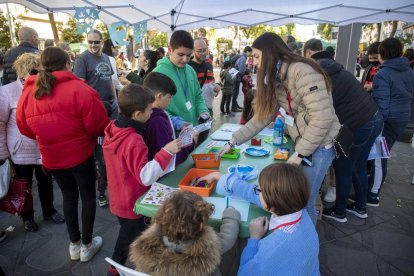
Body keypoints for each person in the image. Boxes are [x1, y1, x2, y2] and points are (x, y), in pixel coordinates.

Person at [218, 32, 340, 225]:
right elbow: (262, 118)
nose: (255, 63)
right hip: (306, 144)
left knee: (304, 201)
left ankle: (305, 246)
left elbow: (323, 118)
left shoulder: (301, 71)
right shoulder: (275, 77)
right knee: (299, 199)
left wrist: (300, 153)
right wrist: (233, 141)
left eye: (257, 57)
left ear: (270, 53)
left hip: (320, 145)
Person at [16, 47, 109, 262]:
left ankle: (74, 244)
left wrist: (45, 138)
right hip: (81, 155)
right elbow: (98, 125)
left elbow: (24, 127)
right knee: (87, 196)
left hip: (51, 157)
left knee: (68, 197)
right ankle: (86, 245)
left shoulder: (29, 91)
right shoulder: (80, 89)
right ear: (68, 63)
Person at [103, 83, 181, 274]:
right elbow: (145, 177)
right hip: (133, 201)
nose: (151, 112)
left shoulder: (114, 128)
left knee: (128, 233)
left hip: (119, 197)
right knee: (137, 237)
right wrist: (166, 152)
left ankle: (117, 266)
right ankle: (121, 268)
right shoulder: (133, 140)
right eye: (149, 110)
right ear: (137, 114)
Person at [303, 38, 383, 222]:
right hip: (374, 117)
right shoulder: (332, 65)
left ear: (308, 53)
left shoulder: (318, 72)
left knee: (344, 168)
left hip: (360, 123)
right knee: (359, 166)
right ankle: (361, 207)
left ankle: (340, 212)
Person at [200, 163, 319, 275]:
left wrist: (254, 238)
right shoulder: (298, 208)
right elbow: (253, 194)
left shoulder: (272, 248)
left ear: (272, 201)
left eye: (260, 190)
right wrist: (223, 178)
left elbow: (245, 273)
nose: (256, 191)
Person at [0, 53, 65, 232]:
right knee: (24, 185)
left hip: (44, 148)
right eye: (30, 70)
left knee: (46, 182)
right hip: (20, 150)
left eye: (38, 69)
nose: (34, 73)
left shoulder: (46, 87)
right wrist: (3, 153)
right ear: (21, 71)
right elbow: (1, 123)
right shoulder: (7, 91)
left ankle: (49, 210)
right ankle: (27, 217)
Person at [129, 190, 240, 276]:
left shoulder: (144, 251)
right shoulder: (209, 249)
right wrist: (231, 215)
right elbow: (229, 235)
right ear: (201, 224)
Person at [368, 38, 414, 206]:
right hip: (402, 118)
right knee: (383, 155)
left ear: (383, 53)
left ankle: (373, 195)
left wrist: (376, 125)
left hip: (386, 121)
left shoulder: (383, 73)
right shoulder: (408, 69)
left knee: (380, 157)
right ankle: (374, 186)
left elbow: (382, 106)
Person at [73, 29, 117, 207]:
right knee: (100, 154)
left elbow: (111, 82)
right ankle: (101, 192)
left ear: (101, 41)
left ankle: (110, 188)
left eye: (96, 42)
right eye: (90, 42)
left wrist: (115, 103)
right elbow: (80, 88)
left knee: (111, 151)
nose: (93, 45)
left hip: (111, 109)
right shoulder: (82, 59)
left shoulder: (106, 58)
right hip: (95, 112)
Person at [153, 30, 210, 130]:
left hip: (193, 133)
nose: (185, 59)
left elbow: (197, 96)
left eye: (188, 55)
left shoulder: (190, 70)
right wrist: (177, 123)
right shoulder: (157, 74)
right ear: (170, 49)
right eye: (180, 55)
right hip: (172, 136)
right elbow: (152, 109)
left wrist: (203, 111)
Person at [143, 72, 196, 166]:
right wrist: (191, 141)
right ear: (159, 96)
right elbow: (170, 159)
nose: (170, 101)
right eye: (169, 97)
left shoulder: (151, 115)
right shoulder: (157, 122)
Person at [188, 38, 221, 116]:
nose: (203, 53)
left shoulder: (208, 65)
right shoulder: (188, 67)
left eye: (205, 50)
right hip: (195, 109)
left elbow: (211, 82)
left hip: (209, 107)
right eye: (199, 51)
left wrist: (216, 87)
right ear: (193, 51)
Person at [232, 46, 253, 112]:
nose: (251, 54)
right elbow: (241, 71)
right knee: (235, 92)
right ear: (247, 51)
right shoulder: (243, 58)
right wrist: (246, 71)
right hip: (237, 76)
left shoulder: (240, 56)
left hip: (235, 75)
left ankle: (235, 105)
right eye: (250, 52)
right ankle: (233, 107)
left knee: (236, 91)